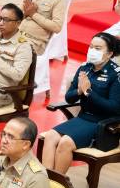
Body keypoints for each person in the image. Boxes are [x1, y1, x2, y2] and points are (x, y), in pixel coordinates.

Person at [40, 33, 120, 172]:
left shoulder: (115, 74)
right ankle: (46, 181)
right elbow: (69, 98)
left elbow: (114, 108)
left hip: (102, 123)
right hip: (82, 118)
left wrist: (88, 92)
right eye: (91, 46)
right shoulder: (85, 68)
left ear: (109, 53)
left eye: (98, 48)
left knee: (65, 142)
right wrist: (78, 91)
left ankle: (60, 185)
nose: (92, 50)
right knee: (51, 136)